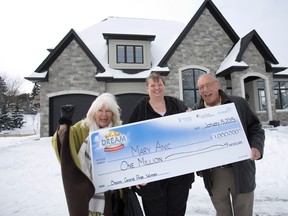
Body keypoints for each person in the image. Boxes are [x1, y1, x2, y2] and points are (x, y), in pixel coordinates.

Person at [193, 73, 265, 216]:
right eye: (201, 87)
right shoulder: (195, 112)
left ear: (217, 85)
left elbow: (255, 128)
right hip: (214, 174)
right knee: (222, 213)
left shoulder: (238, 103)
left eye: (208, 85)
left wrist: (256, 147)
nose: (205, 90)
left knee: (244, 212)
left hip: (241, 170)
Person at [128, 72, 195, 216]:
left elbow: (191, 128)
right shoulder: (140, 109)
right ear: (147, 88)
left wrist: (192, 117)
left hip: (178, 174)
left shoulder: (176, 104)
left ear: (164, 86)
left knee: (177, 211)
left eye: (160, 84)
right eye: (153, 85)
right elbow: (130, 141)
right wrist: (135, 174)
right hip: (152, 179)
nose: (157, 88)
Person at [52, 93, 125, 216]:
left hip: (114, 192)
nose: (104, 114)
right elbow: (65, 146)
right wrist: (64, 123)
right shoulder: (82, 128)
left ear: (113, 115)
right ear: (93, 113)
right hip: (88, 191)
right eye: (100, 110)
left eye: (108, 111)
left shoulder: (120, 131)